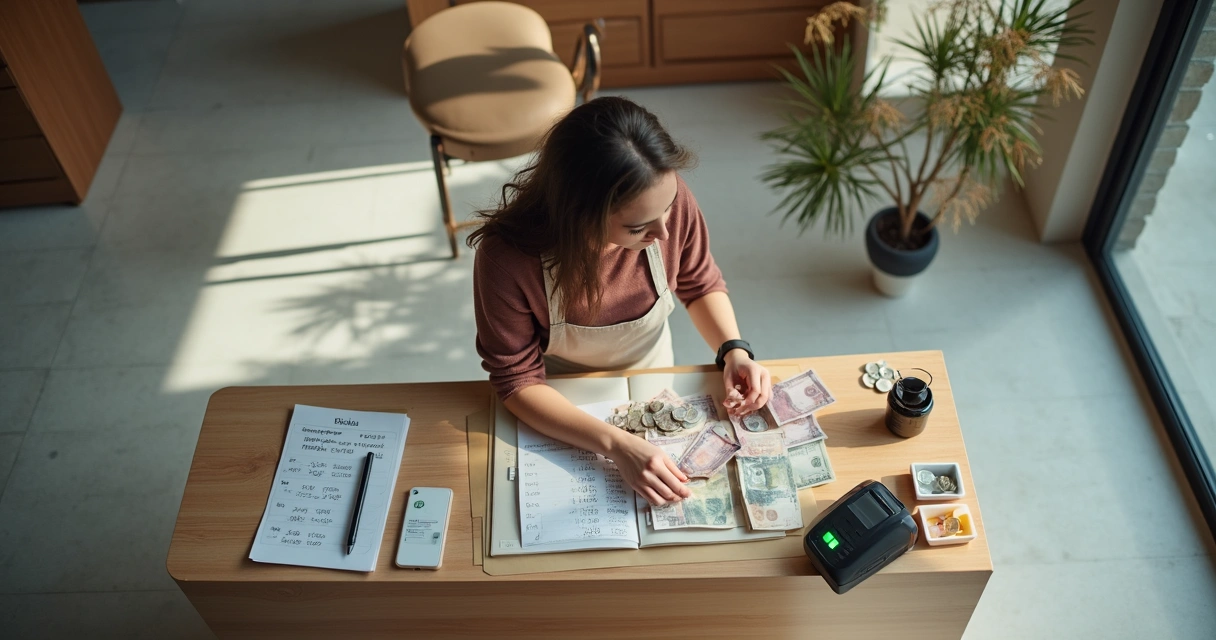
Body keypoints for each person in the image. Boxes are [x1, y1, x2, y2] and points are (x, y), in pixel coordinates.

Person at [469, 96, 772, 507]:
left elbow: (699, 283)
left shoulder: (667, 199)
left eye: (667, 209)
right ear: (580, 213)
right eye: (639, 226)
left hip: (655, 372)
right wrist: (616, 445)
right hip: (561, 400)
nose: (664, 232)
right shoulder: (507, 261)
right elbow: (517, 379)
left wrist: (733, 349)